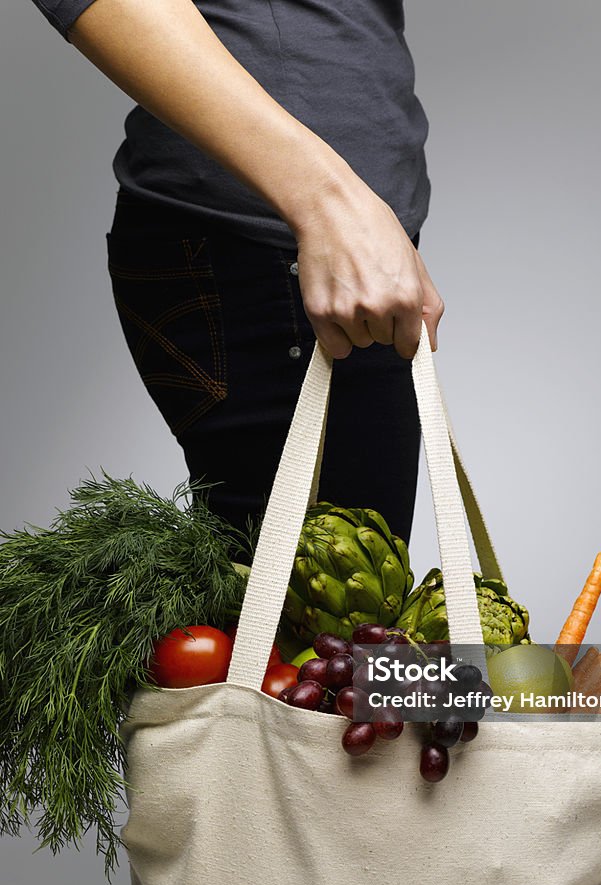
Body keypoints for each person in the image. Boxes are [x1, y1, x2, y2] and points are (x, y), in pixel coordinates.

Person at [30, 0, 445, 550]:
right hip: (272, 242)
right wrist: (328, 204)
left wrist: (355, 214)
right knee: (305, 619)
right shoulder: (316, 213)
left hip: (341, 241)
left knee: (329, 612)